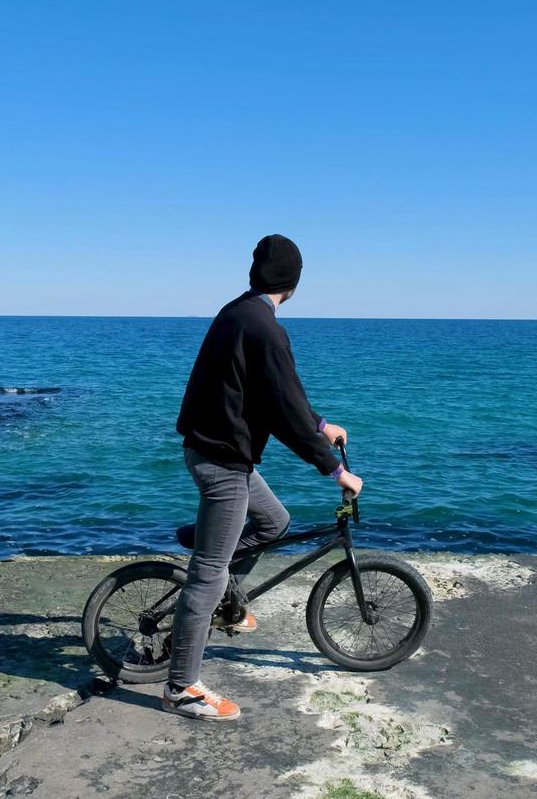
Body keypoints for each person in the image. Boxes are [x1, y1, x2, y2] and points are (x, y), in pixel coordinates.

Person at [161, 234, 362, 721]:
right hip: (223, 461)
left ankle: (216, 567)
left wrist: (319, 423)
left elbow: (280, 396)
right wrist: (335, 469)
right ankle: (181, 686)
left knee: (274, 520)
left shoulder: (239, 312)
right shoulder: (266, 329)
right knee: (208, 572)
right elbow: (284, 408)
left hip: (211, 449)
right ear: (293, 283)